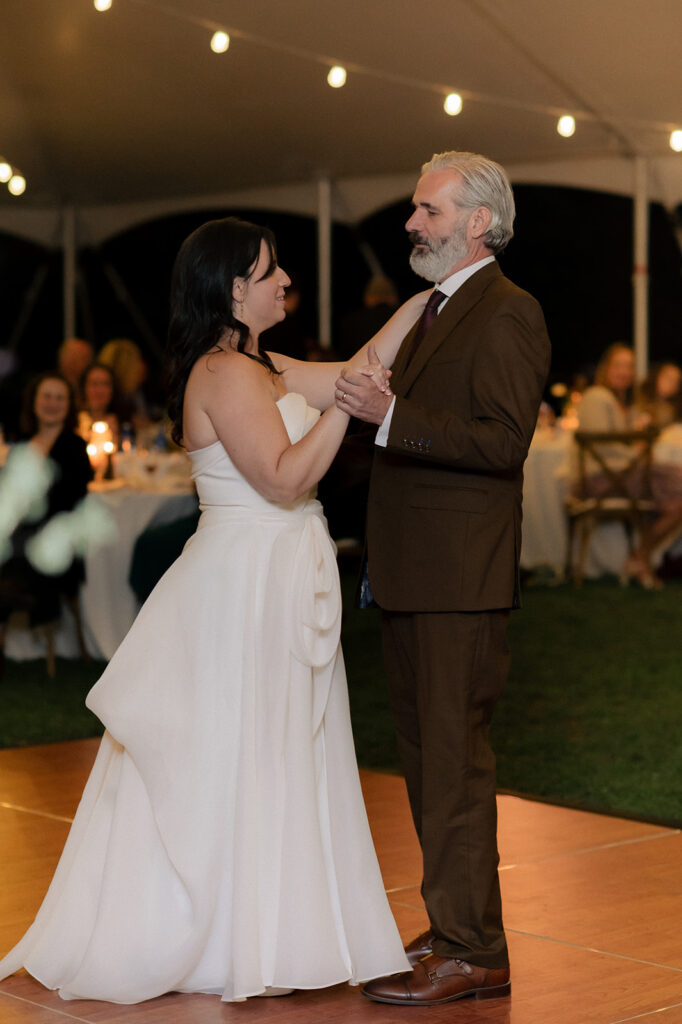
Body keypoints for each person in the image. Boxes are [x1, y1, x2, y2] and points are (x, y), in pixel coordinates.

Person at [0, 216, 429, 1003]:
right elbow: (281, 476)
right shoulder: (225, 373)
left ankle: (271, 928)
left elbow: (356, 367)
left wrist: (427, 303)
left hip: (278, 574)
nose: (283, 282)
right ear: (234, 288)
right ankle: (215, 931)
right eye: (269, 272)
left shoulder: (263, 366)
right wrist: (345, 409)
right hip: (243, 581)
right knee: (238, 753)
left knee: (275, 748)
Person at [335, 150, 551, 1006]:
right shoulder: (434, 311)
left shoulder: (507, 311)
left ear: (476, 223)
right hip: (415, 576)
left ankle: (474, 950)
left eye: (427, 211)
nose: (411, 223)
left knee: (454, 766)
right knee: (429, 766)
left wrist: (392, 416)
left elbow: (502, 443)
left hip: (460, 581)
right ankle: (456, 926)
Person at [0, 373, 92, 673]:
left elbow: (71, 500)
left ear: (68, 406)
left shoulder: (75, 447)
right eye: (46, 396)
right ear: (34, 402)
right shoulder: (23, 444)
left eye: (59, 397)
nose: (52, 403)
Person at [77, 361, 123, 447]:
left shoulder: (122, 422)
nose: (99, 390)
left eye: (105, 384)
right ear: (84, 388)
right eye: (94, 384)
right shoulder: (73, 421)